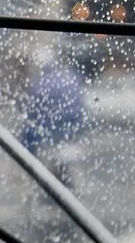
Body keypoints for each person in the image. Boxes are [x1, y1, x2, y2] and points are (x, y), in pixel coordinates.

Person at [21, 47, 87, 190]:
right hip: (72, 131)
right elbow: (82, 107)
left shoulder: (40, 84)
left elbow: (32, 111)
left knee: (29, 134)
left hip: (50, 133)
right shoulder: (71, 77)